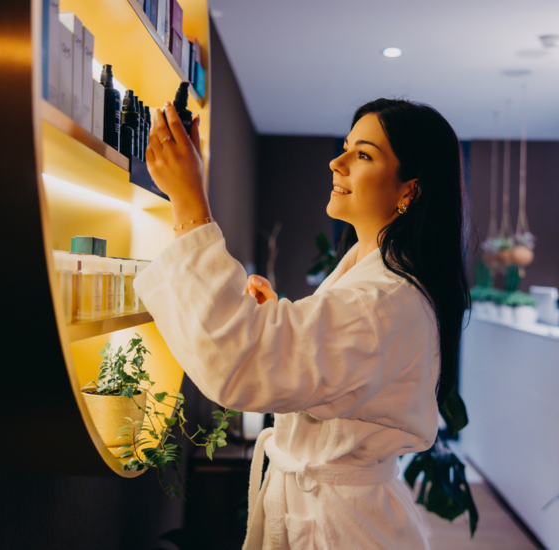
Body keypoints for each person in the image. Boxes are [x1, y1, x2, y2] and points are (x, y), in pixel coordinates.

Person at [135, 98, 469, 549]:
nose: (337, 161)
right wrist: (281, 325)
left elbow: (239, 363)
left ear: (409, 190)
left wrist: (190, 206)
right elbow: (331, 368)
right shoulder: (372, 276)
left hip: (341, 529)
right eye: (346, 147)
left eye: (363, 155)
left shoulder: (383, 298)